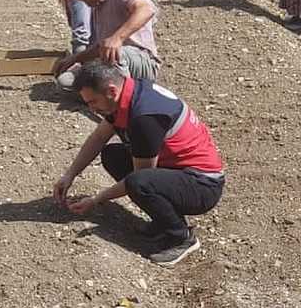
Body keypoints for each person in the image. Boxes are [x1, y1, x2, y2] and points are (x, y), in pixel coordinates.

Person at [52, 59, 225, 267]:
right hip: (178, 170)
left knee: (139, 183)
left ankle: (181, 238)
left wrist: (96, 200)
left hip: (203, 185)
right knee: (112, 155)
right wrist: (70, 174)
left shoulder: (145, 117)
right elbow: (98, 138)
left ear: (111, 90)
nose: (91, 108)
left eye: (93, 102)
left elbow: (140, 176)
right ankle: (165, 221)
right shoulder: (128, 93)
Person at [50, 0, 161, 90]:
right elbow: (101, 47)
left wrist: (117, 38)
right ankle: (104, 98)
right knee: (65, 82)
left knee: (114, 52)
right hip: (111, 64)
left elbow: (147, 10)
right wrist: (72, 60)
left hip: (141, 61)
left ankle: (125, 99)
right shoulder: (97, 6)